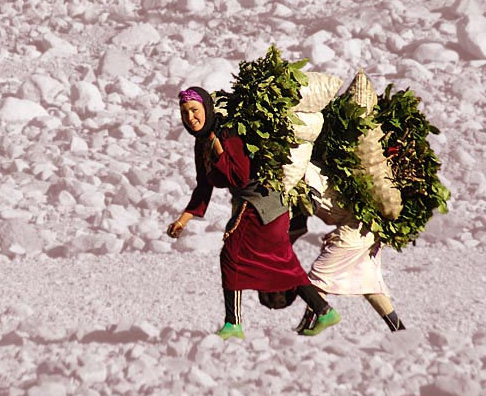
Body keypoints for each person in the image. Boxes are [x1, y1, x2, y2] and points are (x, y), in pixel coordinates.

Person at [166, 86, 341, 340]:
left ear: (207, 108)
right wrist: (184, 219)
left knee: (231, 256)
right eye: (185, 113)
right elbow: (204, 184)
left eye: (194, 110)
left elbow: (239, 176)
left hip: (260, 204)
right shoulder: (203, 141)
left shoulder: (226, 134)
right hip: (267, 207)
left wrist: (218, 149)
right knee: (282, 262)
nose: (190, 118)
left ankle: (233, 325)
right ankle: (324, 311)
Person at [294, 162, 406, 334]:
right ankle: (399, 330)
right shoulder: (314, 167)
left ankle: (309, 326)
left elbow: (312, 201)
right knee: (368, 282)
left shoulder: (306, 170)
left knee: (318, 277)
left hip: (355, 229)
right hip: (370, 227)